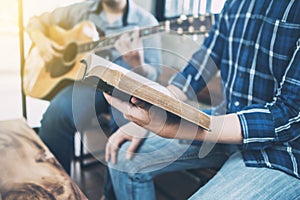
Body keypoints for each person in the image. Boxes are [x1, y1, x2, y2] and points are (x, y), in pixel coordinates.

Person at [104, 0, 300, 199]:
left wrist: (187, 127)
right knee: (124, 158)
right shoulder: (234, 3)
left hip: (283, 151)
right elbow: (200, 65)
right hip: (226, 120)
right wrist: (158, 108)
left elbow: (289, 113)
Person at [25, 0, 161, 199]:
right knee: (56, 114)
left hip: (125, 89)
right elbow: (35, 22)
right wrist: (43, 42)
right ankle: (55, 191)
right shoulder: (81, 11)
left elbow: (153, 76)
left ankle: (111, 195)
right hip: (87, 85)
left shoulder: (146, 21)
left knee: (126, 121)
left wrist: (137, 64)